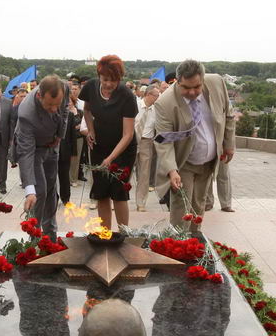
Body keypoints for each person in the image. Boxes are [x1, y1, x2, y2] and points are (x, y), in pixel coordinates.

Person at [154, 59, 235, 232]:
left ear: (203, 80)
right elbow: (164, 141)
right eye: (186, 88)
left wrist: (229, 144)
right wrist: (171, 170)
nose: (192, 92)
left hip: (209, 161)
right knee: (182, 205)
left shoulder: (217, 83)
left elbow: (228, 115)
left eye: (197, 87)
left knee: (199, 203)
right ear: (177, 81)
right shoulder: (164, 103)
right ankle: (178, 241)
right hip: (184, 162)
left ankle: (195, 238)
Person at [80, 55, 138, 229]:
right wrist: (91, 130)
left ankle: (123, 233)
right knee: (101, 191)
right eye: (105, 79)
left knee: (119, 192)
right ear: (99, 76)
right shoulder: (91, 87)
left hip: (123, 149)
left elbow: (128, 134)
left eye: (113, 80)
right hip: (99, 145)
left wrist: (111, 158)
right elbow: (87, 110)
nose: (108, 84)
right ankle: (105, 233)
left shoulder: (126, 95)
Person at [15, 75, 69, 238]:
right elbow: (26, 153)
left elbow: (64, 110)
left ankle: (50, 234)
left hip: (52, 145)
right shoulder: (26, 114)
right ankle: (34, 235)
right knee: (39, 191)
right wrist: (29, 189)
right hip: (34, 149)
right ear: (39, 96)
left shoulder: (63, 88)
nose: (54, 109)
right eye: (50, 105)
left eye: (56, 104)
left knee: (51, 189)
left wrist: (59, 135)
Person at [134, 85, 160, 212]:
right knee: (125, 171)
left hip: (147, 141)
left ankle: (141, 203)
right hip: (132, 140)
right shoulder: (135, 105)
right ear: (148, 95)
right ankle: (118, 199)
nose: (158, 98)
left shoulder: (157, 109)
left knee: (144, 173)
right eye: (156, 95)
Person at [58, 83, 82, 205]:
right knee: (51, 177)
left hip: (65, 151)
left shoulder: (70, 115)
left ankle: (66, 198)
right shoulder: (50, 112)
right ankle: (53, 198)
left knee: (64, 177)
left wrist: (73, 153)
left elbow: (73, 136)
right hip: (51, 152)